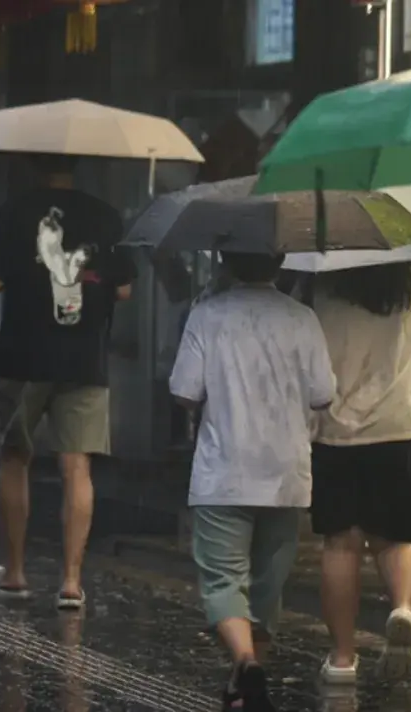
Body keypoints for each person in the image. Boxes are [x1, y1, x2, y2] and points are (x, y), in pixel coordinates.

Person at [170, 251, 335, 712]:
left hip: (223, 471)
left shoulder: (208, 313)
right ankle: (244, 685)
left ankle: (245, 661)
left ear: (226, 259)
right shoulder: (303, 318)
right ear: (280, 262)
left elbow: (184, 391)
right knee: (266, 585)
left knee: (224, 580)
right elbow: (324, 393)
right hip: (286, 475)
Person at [0, 154, 135, 609]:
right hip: (84, 357)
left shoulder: (12, 212)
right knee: (77, 467)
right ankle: (70, 582)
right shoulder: (106, 216)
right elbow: (124, 288)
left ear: (33, 164)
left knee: (15, 458)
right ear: (78, 165)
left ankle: (15, 573)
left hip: (23, 356)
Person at [308, 262, 411, 683]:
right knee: (396, 539)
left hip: (334, 431)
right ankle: (402, 607)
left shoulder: (320, 283)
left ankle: (343, 659)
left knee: (341, 545)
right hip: (399, 427)